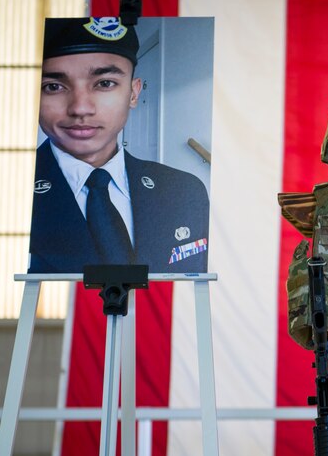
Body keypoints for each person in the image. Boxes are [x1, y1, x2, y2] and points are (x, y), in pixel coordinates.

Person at [28, 17, 209, 273]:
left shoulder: (184, 191)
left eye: (104, 83)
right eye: (54, 86)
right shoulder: (6, 192)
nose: (80, 108)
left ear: (133, 93)